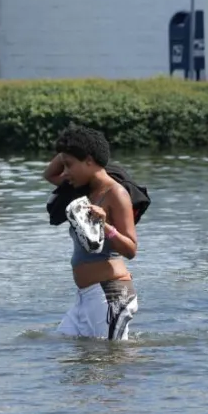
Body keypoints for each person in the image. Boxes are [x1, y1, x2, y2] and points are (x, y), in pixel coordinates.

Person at [43, 125, 139, 341]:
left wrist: (105, 226)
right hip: (86, 296)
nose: (64, 172)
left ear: (89, 160)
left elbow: (132, 249)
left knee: (111, 363)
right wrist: (70, 147)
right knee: (66, 354)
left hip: (112, 294)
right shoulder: (82, 188)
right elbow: (49, 174)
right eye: (64, 164)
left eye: (69, 165)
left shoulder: (117, 193)